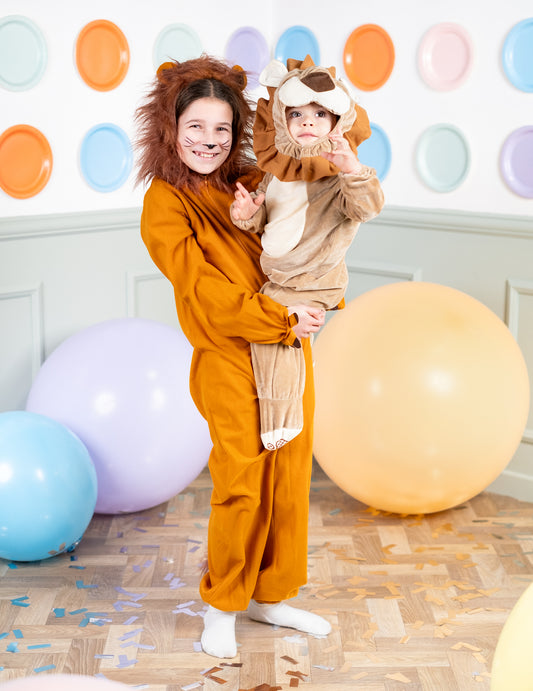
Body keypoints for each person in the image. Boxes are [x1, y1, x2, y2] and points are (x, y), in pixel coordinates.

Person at [134, 55, 330, 660]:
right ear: (170, 127)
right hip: (228, 354)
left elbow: (303, 234)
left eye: (223, 128)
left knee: (289, 475)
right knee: (242, 481)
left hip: (287, 348)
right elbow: (203, 292)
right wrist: (281, 319)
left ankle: (271, 595)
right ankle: (222, 604)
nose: (209, 140)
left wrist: (315, 301)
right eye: (195, 126)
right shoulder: (164, 202)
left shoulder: (254, 177)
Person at [230, 55, 385, 452]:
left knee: (274, 335)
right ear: (282, 120)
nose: (307, 122)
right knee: (270, 334)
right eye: (296, 114)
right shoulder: (275, 173)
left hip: (310, 280)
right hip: (280, 277)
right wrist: (248, 214)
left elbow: (366, 207)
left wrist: (352, 169)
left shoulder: (337, 177)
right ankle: (282, 408)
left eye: (319, 114)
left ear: (337, 122)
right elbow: (268, 218)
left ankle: (282, 419)